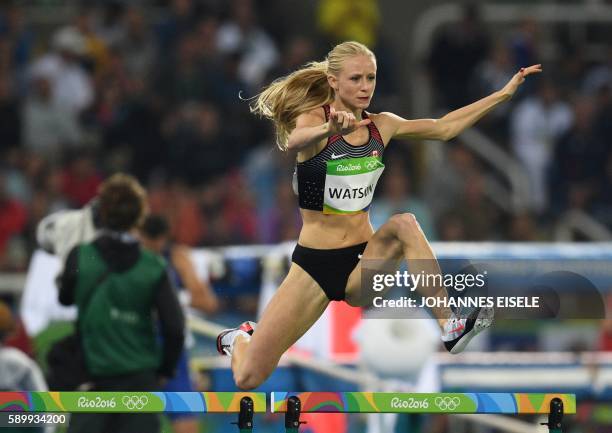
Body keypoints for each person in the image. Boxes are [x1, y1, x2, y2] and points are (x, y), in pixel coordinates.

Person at [217, 41, 541, 390]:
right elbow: (293, 140)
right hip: (314, 266)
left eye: (370, 78)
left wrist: (502, 95)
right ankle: (241, 339)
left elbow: (445, 127)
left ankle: (450, 324)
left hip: (363, 262)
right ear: (333, 81)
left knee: (404, 223)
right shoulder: (315, 119)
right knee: (248, 377)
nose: (365, 86)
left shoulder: (382, 126)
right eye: (355, 78)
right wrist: (330, 130)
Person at [58, 174, 185, 433]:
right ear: (140, 216)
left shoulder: (81, 257)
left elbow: (65, 298)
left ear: (100, 213)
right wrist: (164, 371)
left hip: (90, 384)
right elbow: (174, 328)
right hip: (139, 387)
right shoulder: (153, 266)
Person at [139, 214, 218, 433]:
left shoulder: (176, 258)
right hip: (140, 348)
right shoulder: (130, 260)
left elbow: (209, 303)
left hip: (173, 348)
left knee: (186, 424)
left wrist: (174, 300)